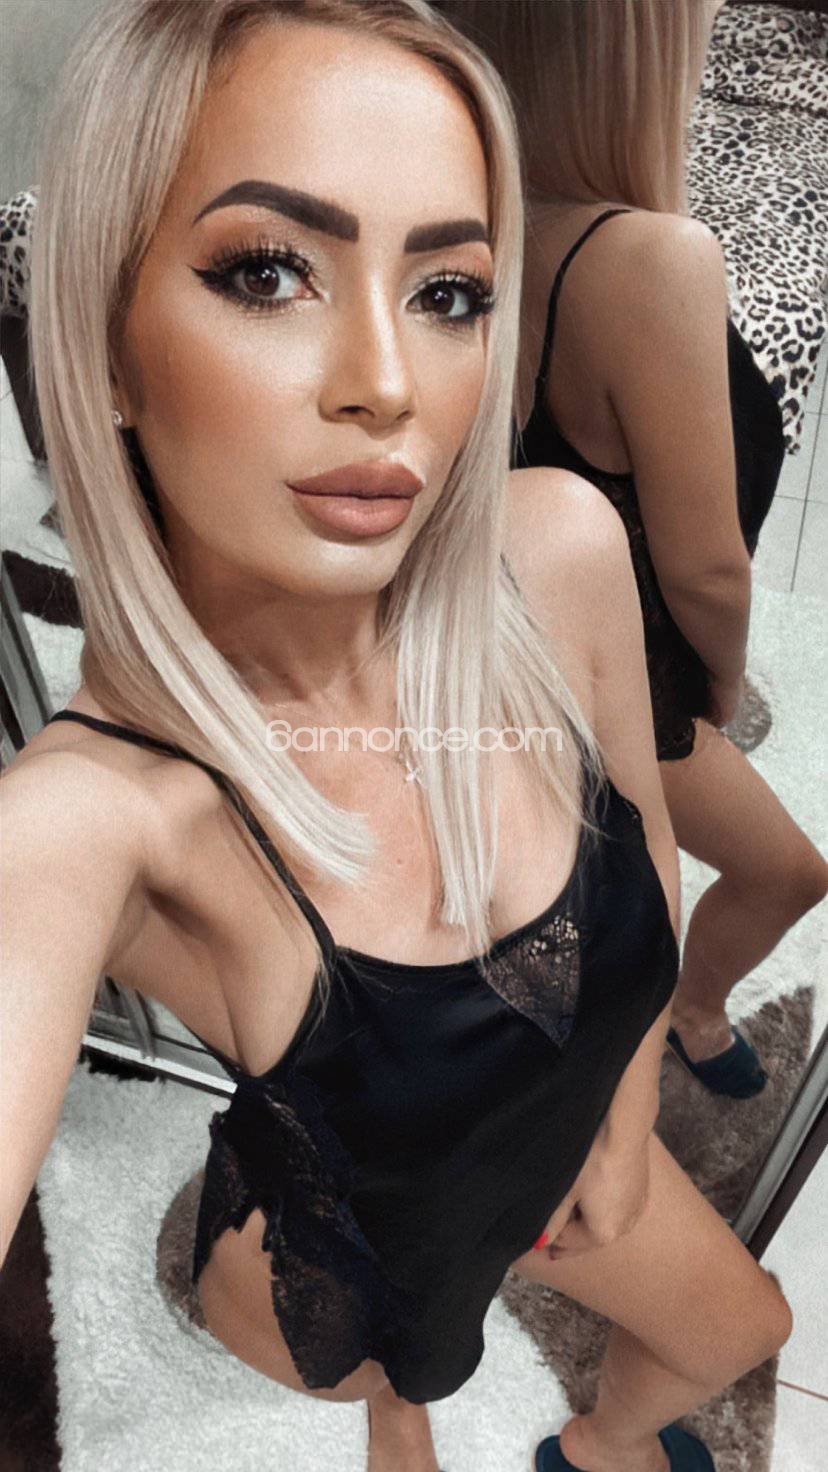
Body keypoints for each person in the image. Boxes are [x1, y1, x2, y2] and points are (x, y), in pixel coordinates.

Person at [1, 3, 791, 1471]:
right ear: (105, 343)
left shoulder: (558, 549)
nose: (389, 380)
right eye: (269, 271)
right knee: (405, 1373)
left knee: (744, 1326)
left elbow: (648, 856)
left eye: (449, 291)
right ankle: (398, 1404)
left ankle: (601, 1444)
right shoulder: (96, 814)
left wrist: (624, 1123)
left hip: (552, 1166)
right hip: (344, 1263)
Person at [441, 0, 828, 1100]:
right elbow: (707, 572)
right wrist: (723, 682)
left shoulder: (446, 208)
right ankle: (691, 1012)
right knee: (789, 874)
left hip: (472, 641)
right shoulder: (652, 258)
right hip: (600, 673)